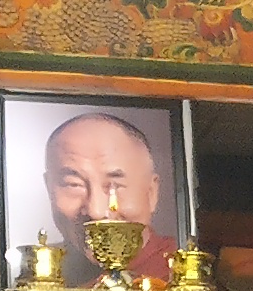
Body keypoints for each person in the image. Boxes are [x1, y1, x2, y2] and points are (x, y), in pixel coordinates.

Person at [37, 107, 172, 269]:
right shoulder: (43, 271)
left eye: (115, 186)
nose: (96, 212)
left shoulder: (176, 273)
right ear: (49, 190)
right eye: (74, 185)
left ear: (151, 193)